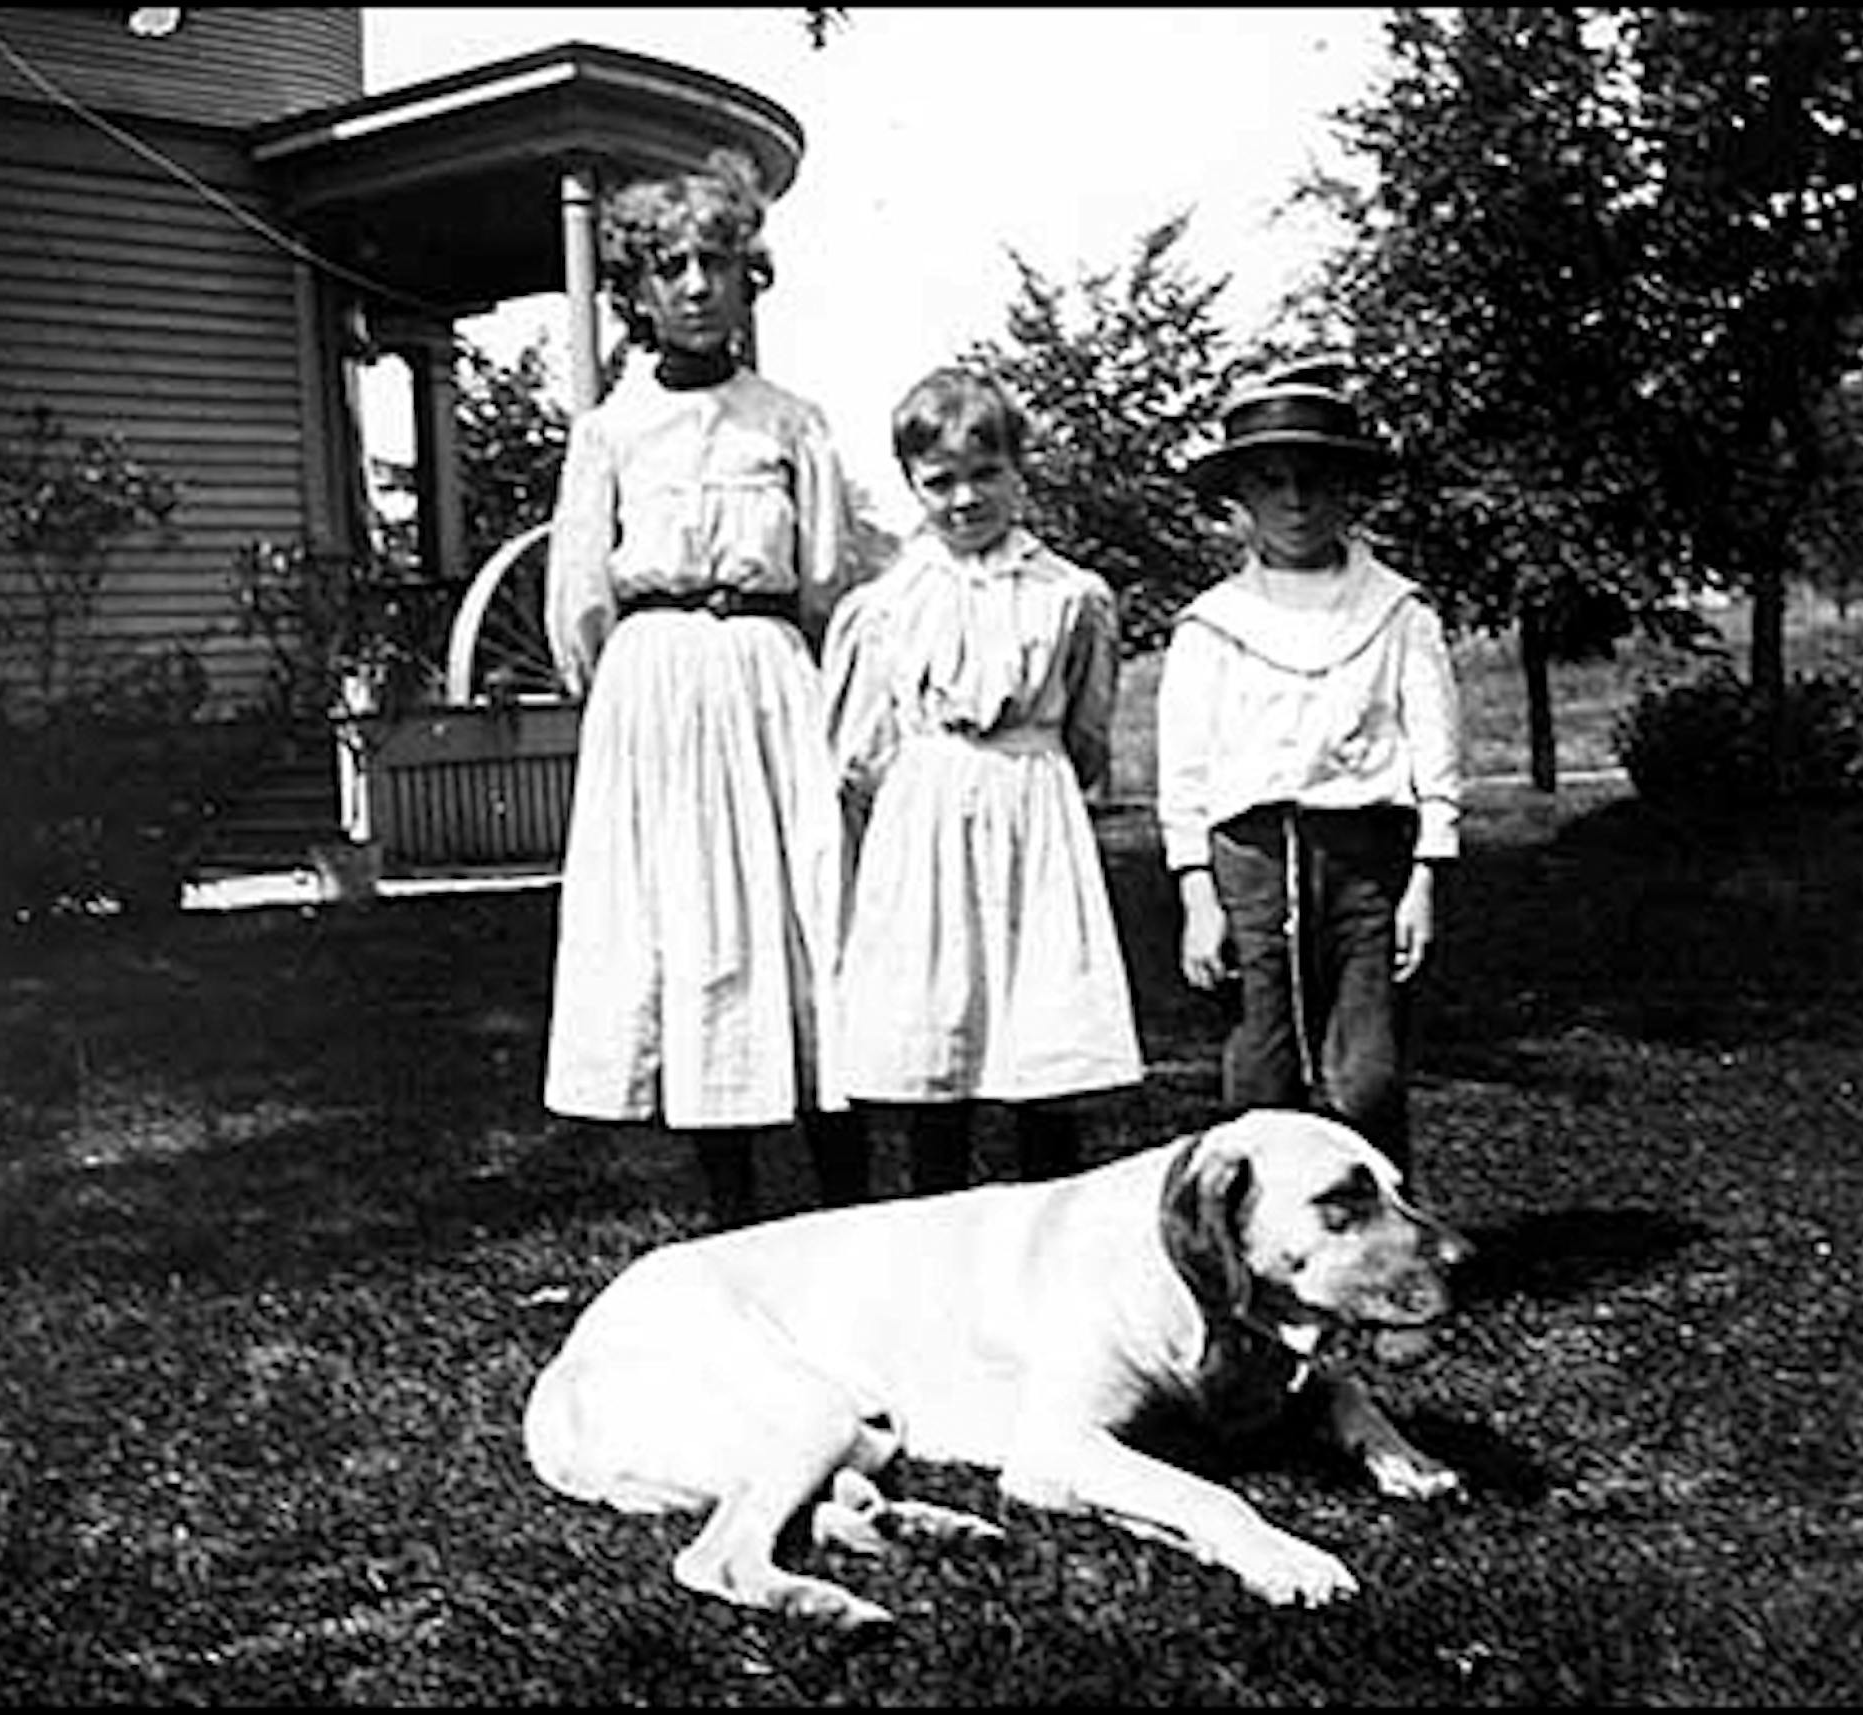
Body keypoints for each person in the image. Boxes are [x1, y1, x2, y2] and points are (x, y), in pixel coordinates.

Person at [539, 149, 870, 1226]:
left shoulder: (791, 422)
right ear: (635, 290)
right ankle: (731, 1222)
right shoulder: (611, 430)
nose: (694, 285)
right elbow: (581, 596)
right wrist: (636, 685)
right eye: (670, 267)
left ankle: (845, 1208)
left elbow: (825, 576)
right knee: (692, 920)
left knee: (804, 907)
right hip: (659, 684)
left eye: (716, 263)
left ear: (747, 278)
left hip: (770, 677)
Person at [824, 366, 1142, 1194]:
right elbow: (861, 749)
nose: (965, 499)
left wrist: (1036, 777)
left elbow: (1088, 728)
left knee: (1043, 1034)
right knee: (937, 1028)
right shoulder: (886, 605)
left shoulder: (1069, 595)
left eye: (985, 474)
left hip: (1034, 807)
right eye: (941, 482)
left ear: (1018, 472)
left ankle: (1051, 1225)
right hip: (925, 815)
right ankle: (939, 1230)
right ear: (911, 485)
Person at [1156, 358, 1461, 1178]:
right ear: (1241, 499)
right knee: (1261, 1067)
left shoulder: (1397, 609)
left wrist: (1424, 879)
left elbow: (1435, 753)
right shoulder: (1214, 625)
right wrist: (1196, 895)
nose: (1294, 501)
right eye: (1271, 481)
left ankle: (1381, 1239)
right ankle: (1262, 1256)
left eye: (1315, 480)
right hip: (1250, 860)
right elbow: (1184, 773)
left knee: (1366, 1074)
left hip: (1365, 856)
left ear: (1346, 489)